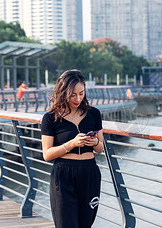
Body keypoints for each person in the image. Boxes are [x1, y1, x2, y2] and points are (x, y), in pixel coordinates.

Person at [41, 70, 104, 228]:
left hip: (89, 173)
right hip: (63, 175)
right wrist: (71, 144)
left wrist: (95, 141)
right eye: (72, 95)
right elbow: (47, 154)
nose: (78, 98)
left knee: (85, 225)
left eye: (81, 93)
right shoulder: (50, 118)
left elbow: (100, 149)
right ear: (62, 93)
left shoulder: (94, 114)